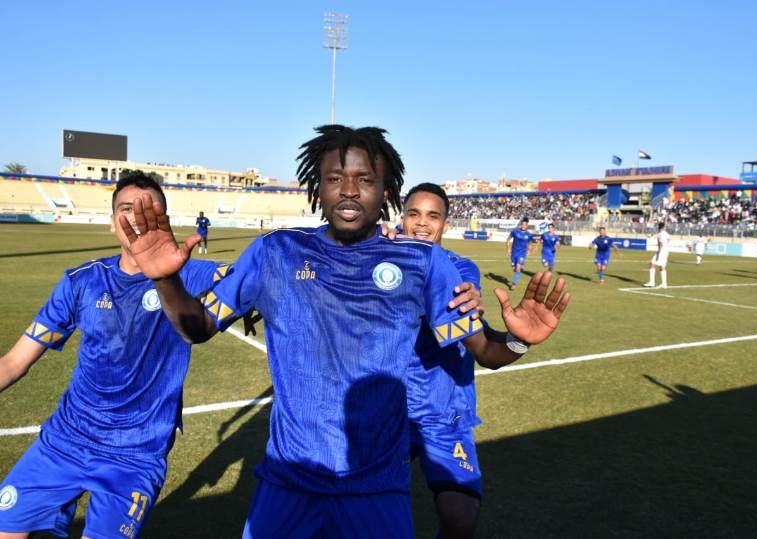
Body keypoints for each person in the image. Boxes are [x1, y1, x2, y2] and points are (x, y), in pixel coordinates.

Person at [119, 125, 570, 538]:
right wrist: (165, 279)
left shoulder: (422, 263)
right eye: (335, 178)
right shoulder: (275, 253)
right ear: (317, 187)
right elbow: (197, 327)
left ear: (386, 191)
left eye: (365, 179)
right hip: (287, 484)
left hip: (377, 491)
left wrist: (518, 339)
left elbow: (485, 350)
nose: (349, 190)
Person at [0, 171, 230, 539]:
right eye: (126, 209)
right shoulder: (82, 282)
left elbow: (253, 278)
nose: (136, 218)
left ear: (163, 219)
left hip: (136, 454)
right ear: (111, 222)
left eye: (148, 209)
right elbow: (13, 362)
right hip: (65, 440)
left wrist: (256, 295)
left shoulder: (189, 274)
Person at [400, 183, 570, 538]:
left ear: (445, 223)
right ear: (402, 218)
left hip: (445, 412)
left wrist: (520, 340)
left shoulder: (459, 269)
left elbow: (484, 350)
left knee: (461, 518)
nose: (422, 223)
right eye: (413, 214)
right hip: (389, 410)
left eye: (433, 216)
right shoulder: (382, 261)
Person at [506, 217, 534, 290]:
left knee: (518, 268)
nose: (524, 226)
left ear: (527, 226)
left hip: (522, 253)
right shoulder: (515, 232)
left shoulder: (529, 235)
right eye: (523, 225)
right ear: (521, 225)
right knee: (515, 269)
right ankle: (519, 266)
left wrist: (529, 250)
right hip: (514, 252)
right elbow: (508, 239)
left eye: (525, 225)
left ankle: (514, 284)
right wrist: (508, 249)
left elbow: (530, 243)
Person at [644, 222, 670, 288]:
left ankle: (652, 282)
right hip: (666, 251)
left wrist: (659, 252)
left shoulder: (661, 234)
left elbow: (661, 243)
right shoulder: (666, 234)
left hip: (661, 251)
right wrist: (650, 236)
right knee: (662, 266)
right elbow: (667, 240)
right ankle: (664, 284)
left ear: (659, 227)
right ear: (664, 227)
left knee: (652, 264)